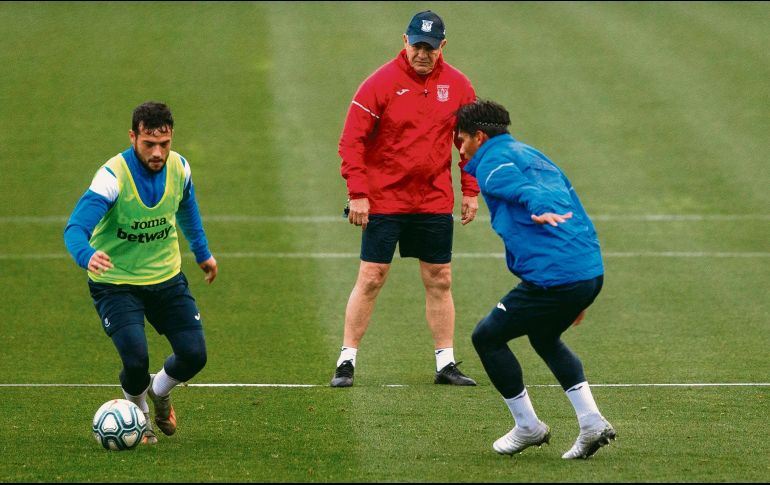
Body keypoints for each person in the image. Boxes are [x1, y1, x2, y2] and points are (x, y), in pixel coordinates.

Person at [455, 100, 616, 459]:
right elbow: (561, 195)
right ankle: (591, 422)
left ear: (480, 136)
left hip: (556, 277)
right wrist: (581, 291)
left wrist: (538, 207)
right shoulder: (533, 154)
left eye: (461, 139)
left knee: (487, 337)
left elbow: (523, 190)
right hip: (587, 270)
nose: (459, 148)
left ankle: (528, 426)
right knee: (544, 336)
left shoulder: (492, 164)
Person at [332, 10, 480, 387]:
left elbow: (468, 144)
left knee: (439, 278)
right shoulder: (379, 84)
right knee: (371, 277)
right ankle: (346, 361)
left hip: (432, 199)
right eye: (417, 46)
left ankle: (445, 363)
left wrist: (470, 191)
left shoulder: (459, 86)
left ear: (442, 47)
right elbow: (351, 141)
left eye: (430, 48)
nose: (422, 54)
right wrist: (359, 193)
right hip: (384, 200)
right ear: (405, 41)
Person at [64, 101, 218, 444]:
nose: (158, 152)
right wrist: (86, 255)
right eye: (149, 143)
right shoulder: (112, 176)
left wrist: (203, 253)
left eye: (164, 144)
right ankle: (140, 417)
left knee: (194, 354)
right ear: (133, 136)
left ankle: (160, 391)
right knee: (135, 360)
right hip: (116, 284)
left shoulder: (180, 167)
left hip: (166, 279)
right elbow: (75, 228)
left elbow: (187, 208)